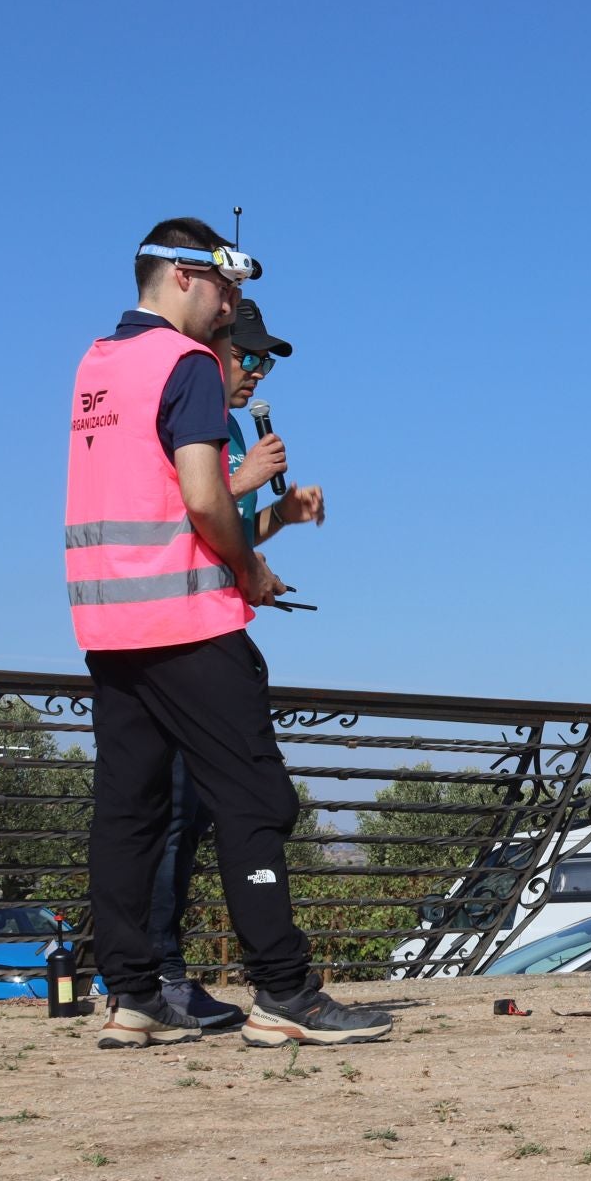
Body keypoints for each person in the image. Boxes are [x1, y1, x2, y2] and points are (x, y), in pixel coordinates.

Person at [66, 217, 387, 1048]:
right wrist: (247, 570)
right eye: (225, 287)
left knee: (128, 813)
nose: (228, 305)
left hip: (110, 626)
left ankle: (133, 996)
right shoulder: (186, 364)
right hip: (188, 620)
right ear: (182, 275)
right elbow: (204, 497)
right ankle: (285, 992)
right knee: (256, 798)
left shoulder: (97, 364)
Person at [145, 298, 324, 1030]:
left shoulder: (222, 427)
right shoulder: (191, 415)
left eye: (266, 363)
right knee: (170, 814)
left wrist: (278, 519)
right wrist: (246, 481)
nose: (257, 372)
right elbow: (182, 515)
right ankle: (156, 977)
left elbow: (218, 534)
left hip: (198, 629)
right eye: (249, 356)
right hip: (173, 641)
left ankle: (156, 980)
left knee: (186, 816)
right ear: (214, 344)